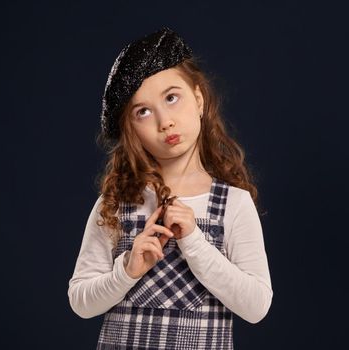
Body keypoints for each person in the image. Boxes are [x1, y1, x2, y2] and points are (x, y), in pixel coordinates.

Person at [67, 26, 273, 350]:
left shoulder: (234, 204)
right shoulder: (116, 204)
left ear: (199, 98)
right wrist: (127, 271)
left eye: (172, 98)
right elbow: (80, 301)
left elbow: (256, 305)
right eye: (143, 111)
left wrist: (194, 242)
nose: (165, 122)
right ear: (131, 129)